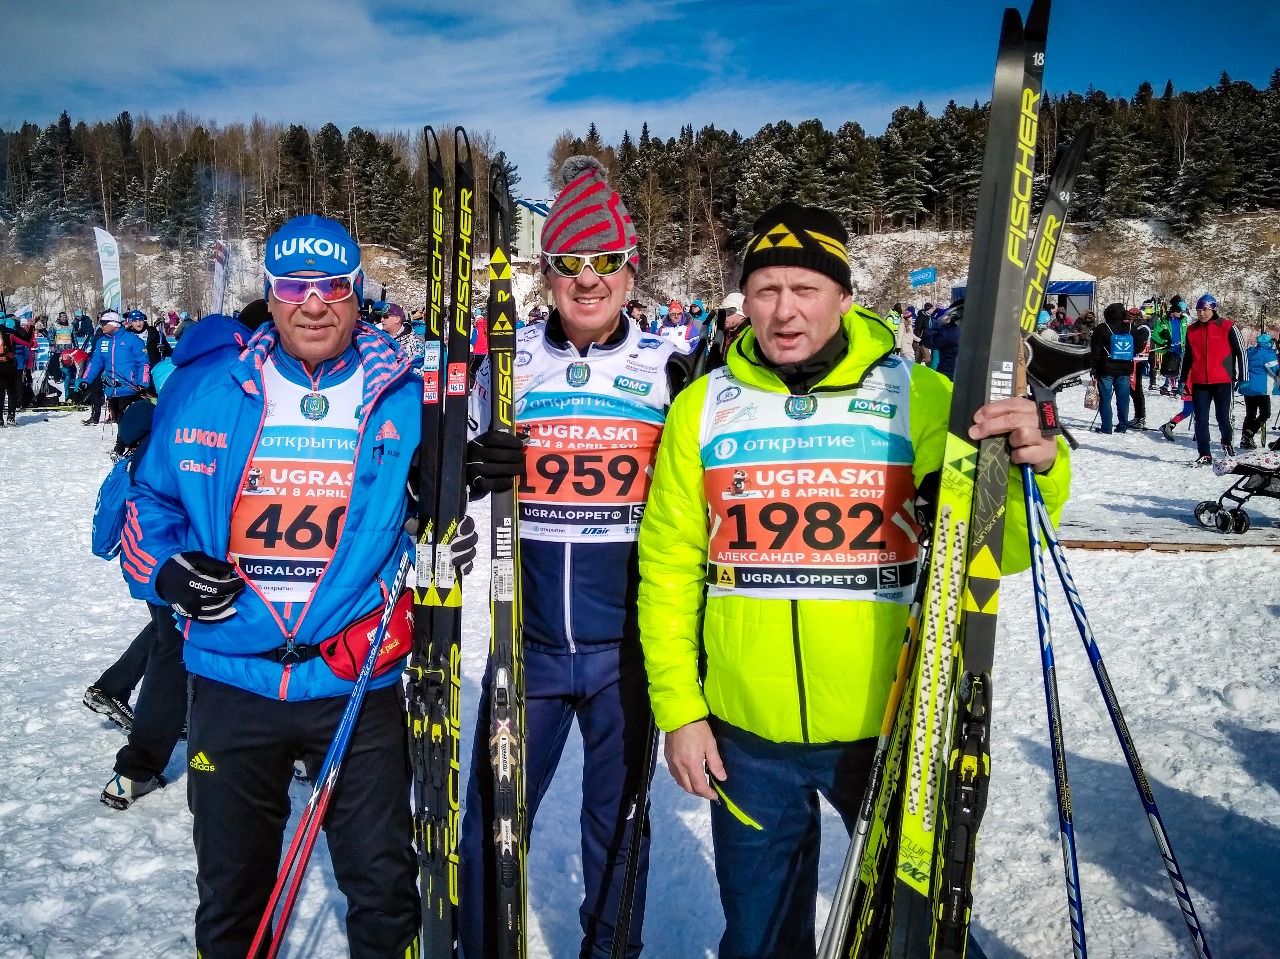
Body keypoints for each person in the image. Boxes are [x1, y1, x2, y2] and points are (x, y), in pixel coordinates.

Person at [635, 201, 1070, 959]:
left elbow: (1002, 547)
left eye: (805, 288)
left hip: (891, 721)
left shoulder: (921, 397)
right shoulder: (703, 409)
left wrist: (1039, 465)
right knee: (761, 937)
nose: (784, 310)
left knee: (909, 934)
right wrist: (680, 707)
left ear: (844, 296)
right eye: (766, 289)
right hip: (746, 735)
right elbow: (668, 567)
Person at [121, 216, 424, 956]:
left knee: (384, 891)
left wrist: (470, 485)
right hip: (232, 677)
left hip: (354, 678)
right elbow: (148, 502)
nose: (312, 304)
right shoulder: (206, 390)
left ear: (356, 294)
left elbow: (444, 496)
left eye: (331, 287)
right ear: (272, 293)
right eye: (294, 286)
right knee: (232, 895)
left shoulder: (406, 398)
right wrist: (165, 570)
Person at [460, 155, 691, 959]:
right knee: (491, 818)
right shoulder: (507, 363)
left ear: (631, 269)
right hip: (526, 647)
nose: (587, 280)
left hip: (625, 651)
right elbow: (446, 473)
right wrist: (473, 465)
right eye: (569, 263)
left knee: (617, 826)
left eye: (604, 262)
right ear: (546, 271)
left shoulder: (670, 368)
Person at [1181, 293, 1244, 463]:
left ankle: (1226, 442)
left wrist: (1243, 376)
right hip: (1200, 381)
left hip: (1223, 380)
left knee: (1223, 417)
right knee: (1200, 419)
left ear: (1213, 309)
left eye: (1206, 309)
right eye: (1199, 310)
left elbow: (1241, 351)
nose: (1202, 313)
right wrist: (1182, 380)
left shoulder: (1227, 326)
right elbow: (1187, 356)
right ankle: (1204, 454)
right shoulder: (1191, 330)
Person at [1090, 303, 1136, 434]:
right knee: (1123, 399)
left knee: (1105, 399)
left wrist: (1094, 367)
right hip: (1125, 368)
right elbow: (1138, 345)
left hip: (1106, 368)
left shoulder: (1102, 328)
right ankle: (1123, 425)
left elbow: (1096, 350)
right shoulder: (1130, 328)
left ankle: (1106, 427)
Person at [1237, 332, 1278, 449]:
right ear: (1269, 343)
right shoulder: (1268, 354)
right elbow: (1275, 370)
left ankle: (1244, 440)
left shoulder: (1249, 352)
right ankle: (1249, 434)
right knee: (1265, 413)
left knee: (1250, 414)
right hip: (1261, 388)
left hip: (1247, 386)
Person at [921, 300, 961, 379]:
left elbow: (928, 341)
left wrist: (937, 324)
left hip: (949, 372)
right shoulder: (975, 331)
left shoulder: (948, 332)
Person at [1126, 306, 1151, 430]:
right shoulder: (1135, 328)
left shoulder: (1143, 328)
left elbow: (1139, 345)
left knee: (1136, 389)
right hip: (1134, 360)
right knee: (1133, 390)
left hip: (1139, 360)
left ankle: (1141, 417)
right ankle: (1138, 416)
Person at [0, 314, 21, 426]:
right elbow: (27, 342)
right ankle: (11, 416)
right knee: (12, 391)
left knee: (0, 392)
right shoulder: (10, 331)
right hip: (9, 364)